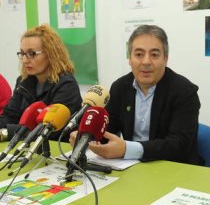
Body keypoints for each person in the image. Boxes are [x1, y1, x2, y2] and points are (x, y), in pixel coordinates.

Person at [70, 25, 202, 165]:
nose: (146, 62)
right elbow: (107, 130)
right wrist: (87, 137)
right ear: (130, 59)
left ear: (165, 59)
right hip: (129, 168)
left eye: (154, 55)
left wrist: (127, 149)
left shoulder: (184, 92)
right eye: (139, 54)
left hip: (173, 169)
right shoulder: (120, 87)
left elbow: (179, 145)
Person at [0, 24, 82, 143]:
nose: (25, 60)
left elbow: (48, 131)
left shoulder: (66, 85)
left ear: (51, 54)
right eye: (22, 53)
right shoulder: (23, 81)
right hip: (26, 144)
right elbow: (10, 115)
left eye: (32, 53)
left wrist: (2, 133)